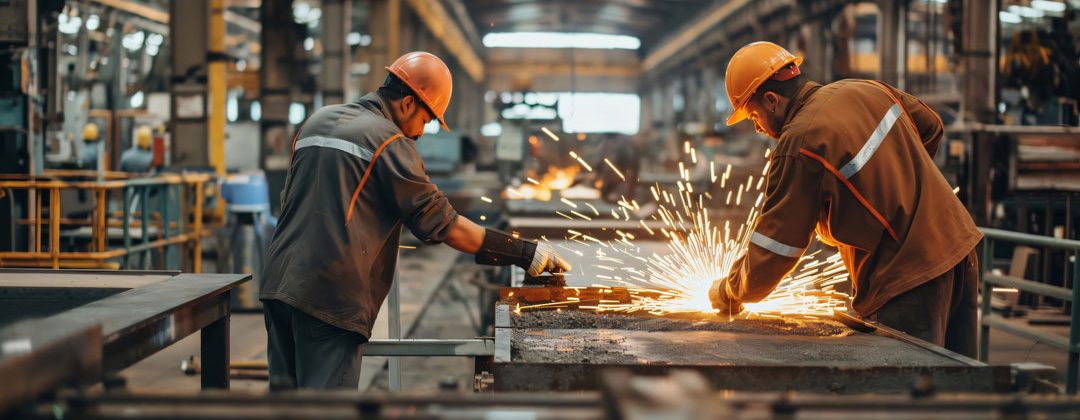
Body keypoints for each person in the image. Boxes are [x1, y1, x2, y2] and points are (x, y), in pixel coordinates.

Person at [260, 51, 571, 389]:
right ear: (408, 103)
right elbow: (445, 225)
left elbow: (290, 201)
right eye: (427, 119)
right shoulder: (390, 141)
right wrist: (525, 253)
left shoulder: (315, 122)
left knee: (285, 404)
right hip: (329, 297)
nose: (422, 132)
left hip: (278, 285)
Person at [708, 42, 982, 357]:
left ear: (771, 100)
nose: (757, 127)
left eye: (754, 116)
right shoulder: (863, 89)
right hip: (960, 245)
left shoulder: (799, 142)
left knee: (909, 395)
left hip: (908, 275)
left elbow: (777, 247)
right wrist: (900, 182)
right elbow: (931, 127)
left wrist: (732, 290)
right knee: (962, 392)